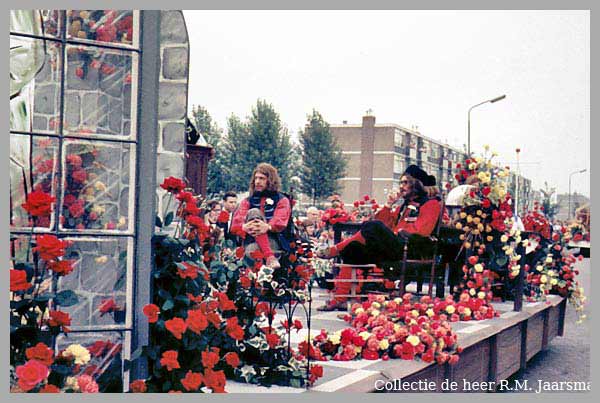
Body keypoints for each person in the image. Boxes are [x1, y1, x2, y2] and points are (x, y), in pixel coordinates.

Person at [316, 165, 442, 311]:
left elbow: (422, 231)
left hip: (410, 247)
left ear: (416, 184)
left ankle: (335, 250)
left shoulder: (430, 204)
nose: (401, 187)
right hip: (393, 247)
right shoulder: (403, 206)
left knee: (373, 225)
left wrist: (397, 232)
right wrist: (389, 205)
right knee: (353, 248)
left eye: (405, 182)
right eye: (400, 183)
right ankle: (340, 299)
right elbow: (384, 224)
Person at [231, 163, 292, 269]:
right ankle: (269, 257)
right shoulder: (247, 201)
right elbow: (236, 223)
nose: (258, 182)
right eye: (256, 178)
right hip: (250, 238)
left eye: (262, 178)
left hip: (273, 240)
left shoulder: (282, 200)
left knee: (253, 250)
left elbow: (280, 221)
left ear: (271, 180)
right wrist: (243, 227)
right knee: (254, 212)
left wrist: (268, 227)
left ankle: (268, 257)